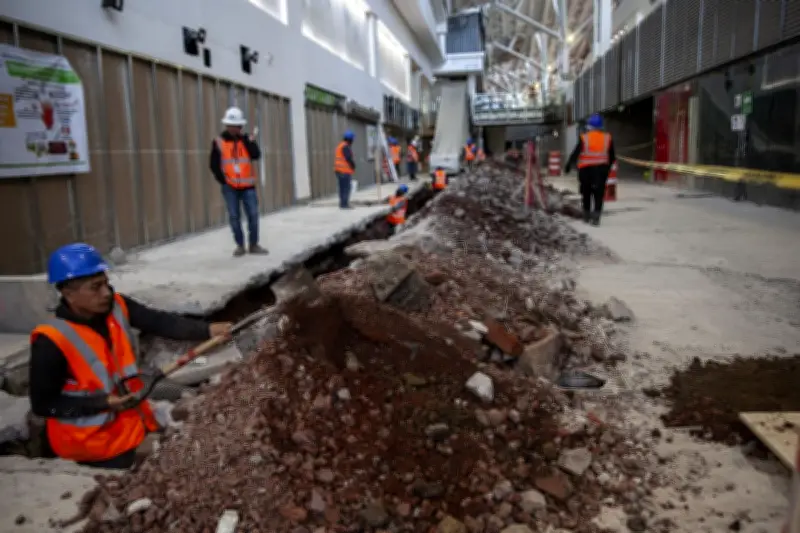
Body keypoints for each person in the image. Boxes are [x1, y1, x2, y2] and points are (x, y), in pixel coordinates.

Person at [28, 243, 233, 470]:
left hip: (133, 420)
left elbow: (159, 322)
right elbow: (44, 405)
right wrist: (101, 403)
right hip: (94, 444)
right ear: (69, 294)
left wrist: (207, 330)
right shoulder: (51, 341)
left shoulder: (118, 307)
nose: (106, 293)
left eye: (106, 283)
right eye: (95, 287)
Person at [209, 106, 268, 257]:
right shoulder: (219, 142)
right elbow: (214, 165)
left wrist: (250, 142)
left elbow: (256, 155)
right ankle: (240, 245)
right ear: (227, 125)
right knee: (234, 216)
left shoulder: (246, 140)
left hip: (248, 186)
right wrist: (224, 181)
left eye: (237, 126)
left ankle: (253, 244)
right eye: (232, 125)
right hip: (230, 187)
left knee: (253, 215)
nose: (235, 128)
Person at [565, 113, 616, 226]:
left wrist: (568, 165)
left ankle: (587, 216)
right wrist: (607, 169)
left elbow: (575, 153)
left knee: (586, 192)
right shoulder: (607, 138)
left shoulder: (584, 138)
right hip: (601, 170)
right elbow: (612, 156)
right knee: (599, 194)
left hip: (586, 170)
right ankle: (596, 218)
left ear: (589, 126)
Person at [334, 130, 356, 209]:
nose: (353, 141)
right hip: (344, 171)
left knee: (342, 188)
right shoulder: (345, 146)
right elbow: (348, 158)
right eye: (352, 139)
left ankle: (342, 203)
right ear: (349, 139)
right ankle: (345, 204)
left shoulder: (340, 145)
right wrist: (353, 165)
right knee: (346, 188)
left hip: (338, 170)